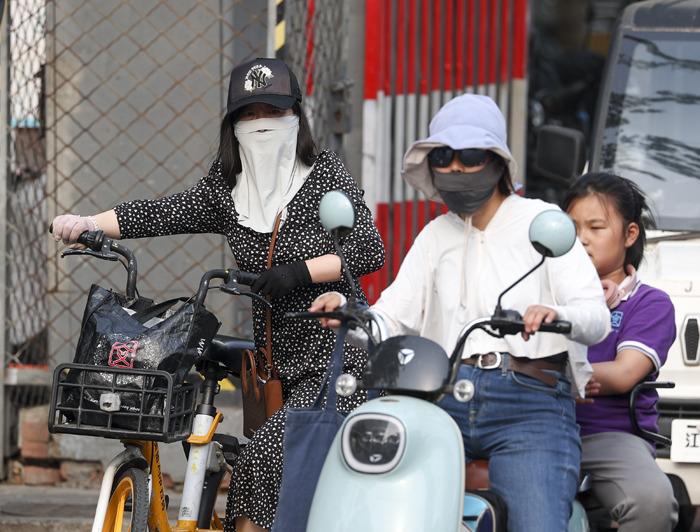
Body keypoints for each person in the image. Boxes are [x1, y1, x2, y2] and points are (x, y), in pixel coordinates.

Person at [51, 57, 385, 532]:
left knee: (264, 457)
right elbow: (163, 213)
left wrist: (298, 273)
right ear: (233, 125)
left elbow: (368, 248)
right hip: (273, 364)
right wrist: (87, 224)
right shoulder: (228, 188)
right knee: (238, 449)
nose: (261, 124)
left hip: (337, 365)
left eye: (272, 111)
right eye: (248, 114)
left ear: (296, 116)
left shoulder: (323, 173)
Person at [310, 93, 610, 532]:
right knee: (376, 509)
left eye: (470, 156)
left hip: (528, 402)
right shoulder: (435, 234)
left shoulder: (542, 222)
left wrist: (555, 313)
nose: (455, 168)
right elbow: (391, 317)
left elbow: (595, 318)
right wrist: (350, 314)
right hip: (439, 397)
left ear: (497, 162)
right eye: (444, 156)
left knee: (537, 525)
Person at [564, 173, 678, 531]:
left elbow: (625, 373)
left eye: (596, 227)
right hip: (534, 425)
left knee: (652, 502)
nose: (581, 239)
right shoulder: (539, 289)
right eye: (571, 227)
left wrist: (559, 376)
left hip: (608, 437)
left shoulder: (649, 303)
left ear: (630, 234)